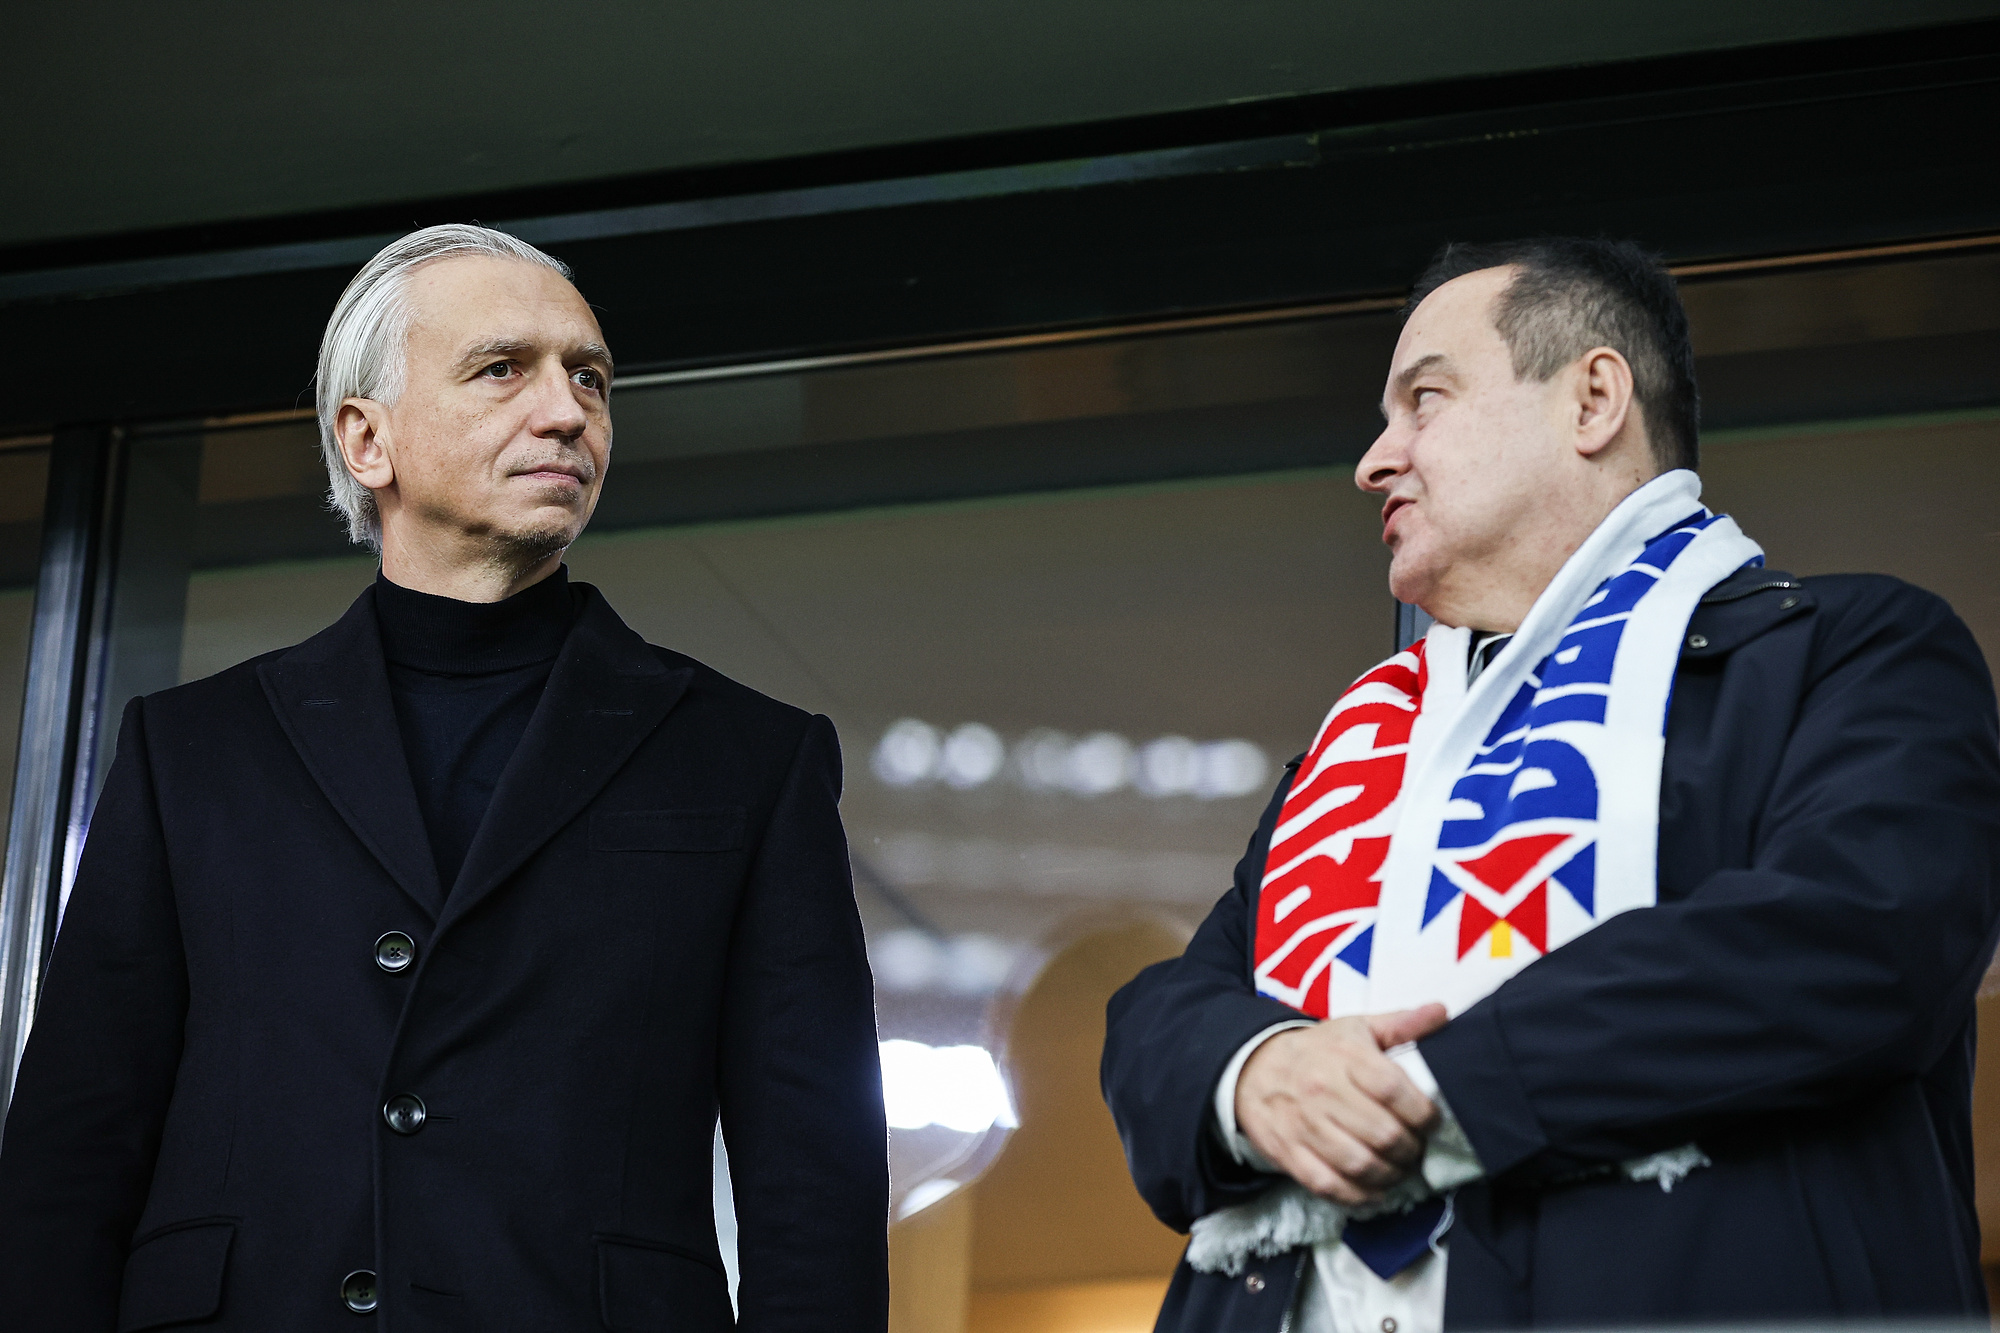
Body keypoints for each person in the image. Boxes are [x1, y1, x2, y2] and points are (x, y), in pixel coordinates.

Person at [0, 225, 888, 1331]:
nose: (567, 410)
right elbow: (71, 1154)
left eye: (591, 379)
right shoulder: (192, 752)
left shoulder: (750, 758)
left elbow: (818, 1186)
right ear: (367, 440)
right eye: (502, 368)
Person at [1102, 236, 2000, 1330]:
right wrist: (1255, 1075)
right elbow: (1165, 1017)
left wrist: (1410, 1097)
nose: (1373, 461)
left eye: (1421, 400)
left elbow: (1855, 937)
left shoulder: (1850, 652)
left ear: (1591, 400)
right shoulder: (1357, 752)